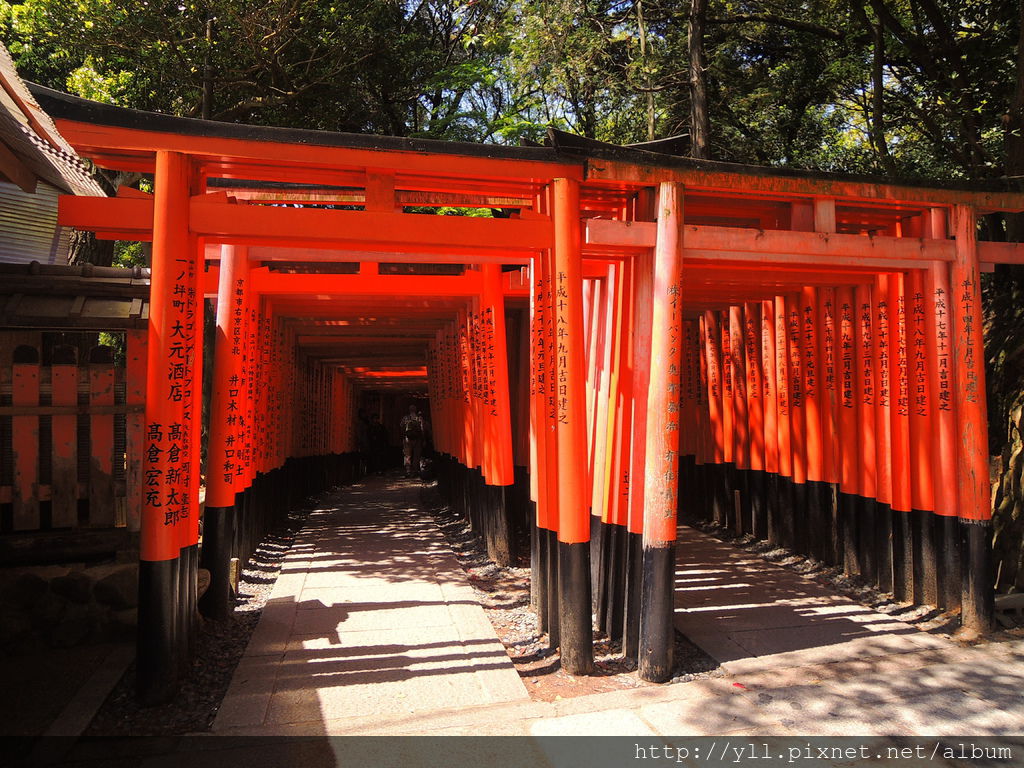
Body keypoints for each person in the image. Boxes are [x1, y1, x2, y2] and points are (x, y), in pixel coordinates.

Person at [400, 405, 426, 478]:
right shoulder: (419, 418)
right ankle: (415, 471)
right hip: (417, 440)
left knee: (407, 456)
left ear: (409, 410)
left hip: (407, 439)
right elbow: (422, 429)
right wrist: (423, 439)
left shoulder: (405, 418)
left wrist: (404, 437)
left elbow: (401, 427)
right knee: (416, 456)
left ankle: (408, 471)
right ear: (415, 410)